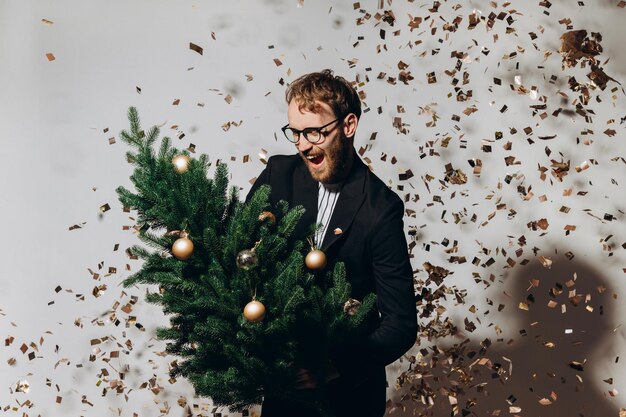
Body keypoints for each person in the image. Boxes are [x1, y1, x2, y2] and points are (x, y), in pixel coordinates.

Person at [246, 69, 417, 417]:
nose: (304, 144)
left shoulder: (381, 209)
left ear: (348, 125)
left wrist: (334, 368)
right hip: (284, 388)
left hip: (350, 398)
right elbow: (238, 250)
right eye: (295, 133)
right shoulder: (278, 175)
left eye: (315, 132)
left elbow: (400, 325)